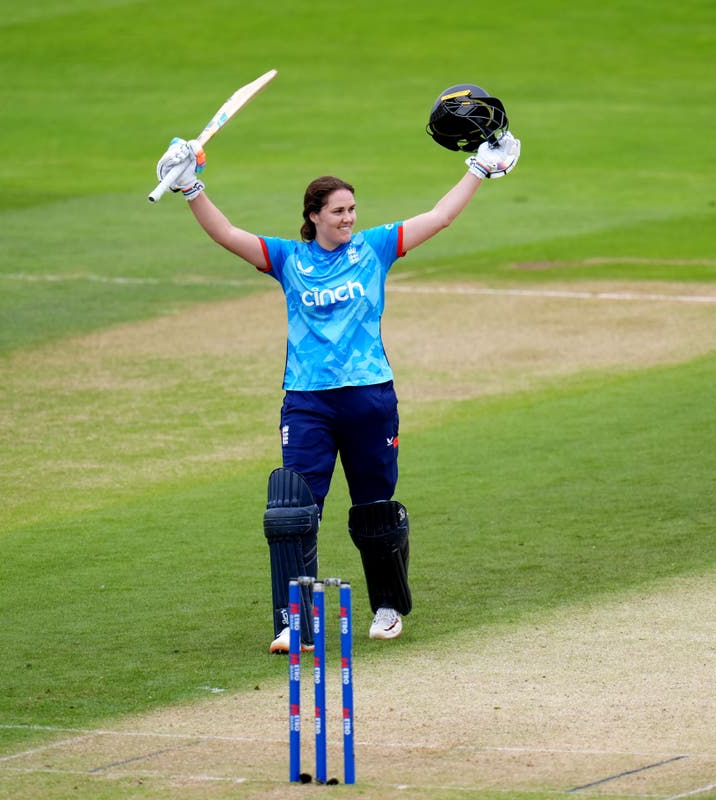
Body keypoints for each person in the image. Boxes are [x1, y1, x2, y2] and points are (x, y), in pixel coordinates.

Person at [154, 127, 521, 651]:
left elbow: (439, 217)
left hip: (369, 396)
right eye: (338, 211)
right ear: (314, 216)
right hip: (308, 401)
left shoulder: (374, 247)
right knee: (294, 512)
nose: (348, 218)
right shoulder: (289, 259)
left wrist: (479, 169)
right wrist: (191, 188)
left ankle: (388, 608)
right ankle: (294, 622)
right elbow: (227, 234)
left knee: (374, 508)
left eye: (352, 209)